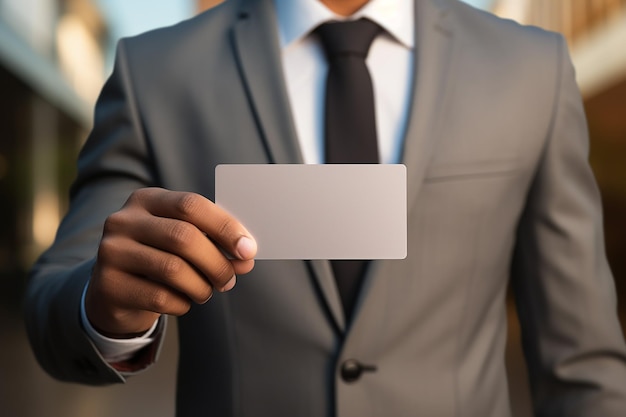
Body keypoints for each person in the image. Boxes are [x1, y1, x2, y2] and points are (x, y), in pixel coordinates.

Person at [25, 0, 626, 415]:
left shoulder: (530, 68)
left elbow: (583, 362)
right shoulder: (155, 71)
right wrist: (103, 307)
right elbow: (54, 302)